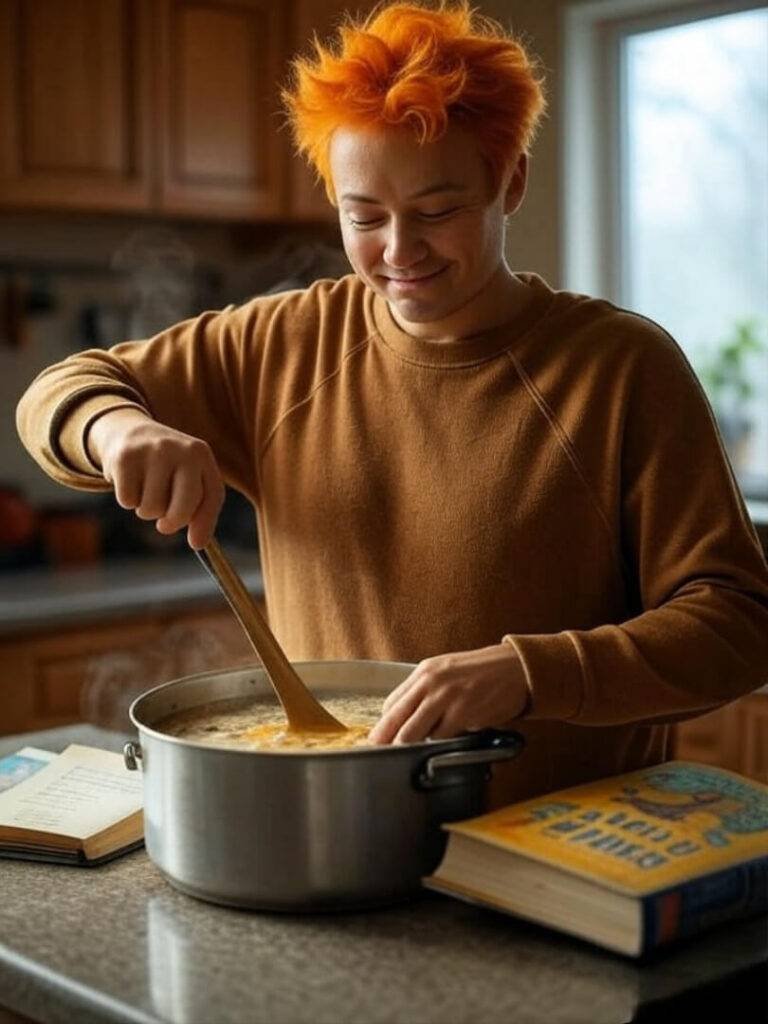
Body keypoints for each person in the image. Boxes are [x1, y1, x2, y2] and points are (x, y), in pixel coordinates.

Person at [16, 0, 768, 806]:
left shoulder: (621, 368)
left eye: (437, 212)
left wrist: (528, 674)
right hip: (335, 835)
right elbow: (61, 390)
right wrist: (117, 428)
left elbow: (737, 625)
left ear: (508, 181)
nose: (399, 252)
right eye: (363, 216)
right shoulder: (282, 343)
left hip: (565, 856)